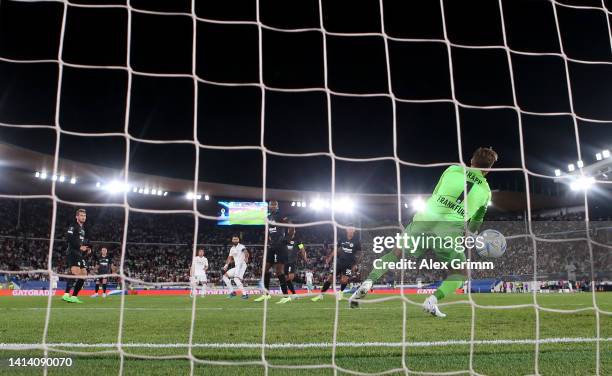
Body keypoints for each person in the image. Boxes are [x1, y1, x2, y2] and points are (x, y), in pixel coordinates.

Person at [350, 147, 498, 317]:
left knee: (396, 252)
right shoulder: (486, 192)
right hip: (448, 230)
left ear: (472, 160)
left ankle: (368, 283)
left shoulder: (453, 169)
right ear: (488, 169)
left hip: (425, 218)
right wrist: (470, 235)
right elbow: (477, 220)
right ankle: (432, 300)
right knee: (461, 273)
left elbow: (436, 193)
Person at [312, 225, 361, 302]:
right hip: (339, 262)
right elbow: (336, 249)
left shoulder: (357, 241)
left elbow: (360, 253)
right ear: (346, 230)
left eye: (352, 229)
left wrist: (355, 264)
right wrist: (330, 257)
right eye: (349, 228)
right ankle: (321, 295)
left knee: (344, 280)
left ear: (354, 230)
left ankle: (340, 293)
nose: (351, 230)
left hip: (349, 263)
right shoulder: (342, 238)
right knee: (330, 278)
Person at [254, 201, 290, 303]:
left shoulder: (281, 216)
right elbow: (268, 230)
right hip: (272, 246)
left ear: (277, 206)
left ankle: (286, 296)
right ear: (269, 207)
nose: (272, 206)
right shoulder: (268, 217)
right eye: (271, 205)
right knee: (264, 270)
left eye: (274, 205)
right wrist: (268, 240)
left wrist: (286, 239)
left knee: (279, 271)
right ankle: (266, 294)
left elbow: (292, 227)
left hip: (281, 247)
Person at [63, 208, 91, 304]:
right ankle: (66, 294)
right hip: (72, 252)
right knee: (76, 272)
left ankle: (74, 296)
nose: (83, 217)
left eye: (84, 216)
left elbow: (80, 242)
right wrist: (80, 247)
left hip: (79, 253)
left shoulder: (82, 229)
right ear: (77, 217)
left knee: (84, 274)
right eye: (81, 215)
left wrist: (86, 249)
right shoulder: (73, 226)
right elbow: (68, 238)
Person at [222, 235, 250, 299]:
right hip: (237, 266)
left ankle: (245, 294)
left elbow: (246, 252)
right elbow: (229, 258)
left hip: (241, 265)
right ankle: (232, 292)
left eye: (236, 239)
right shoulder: (232, 249)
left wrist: (246, 257)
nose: (235, 240)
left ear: (238, 240)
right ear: (232, 240)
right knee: (224, 276)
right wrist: (226, 265)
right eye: (234, 239)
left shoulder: (241, 246)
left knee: (236, 279)